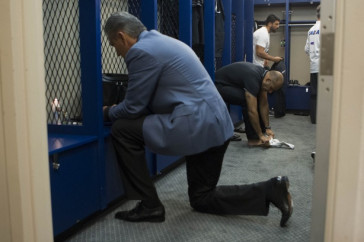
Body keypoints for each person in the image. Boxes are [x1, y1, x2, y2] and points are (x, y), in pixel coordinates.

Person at [103, 11, 292, 227]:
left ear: (121, 37)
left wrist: (107, 112)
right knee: (202, 197)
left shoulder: (140, 52)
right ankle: (271, 189)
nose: (116, 53)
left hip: (197, 124)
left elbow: (133, 107)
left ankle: (149, 205)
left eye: (113, 45)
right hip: (217, 125)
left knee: (122, 129)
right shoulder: (162, 41)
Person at [215, 61, 284, 146]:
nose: (270, 92)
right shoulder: (254, 78)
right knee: (248, 101)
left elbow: (264, 104)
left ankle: (261, 132)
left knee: (256, 98)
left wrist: (267, 128)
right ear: (268, 80)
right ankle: (253, 139)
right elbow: (252, 111)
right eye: (271, 88)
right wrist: (260, 136)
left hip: (230, 85)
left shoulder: (263, 77)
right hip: (217, 86)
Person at [305, 5, 320, 124]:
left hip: (314, 66)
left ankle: (314, 119)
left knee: (314, 93)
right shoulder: (328, 28)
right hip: (326, 67)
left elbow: (306, 49)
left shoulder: (311, 30)